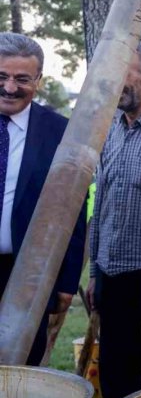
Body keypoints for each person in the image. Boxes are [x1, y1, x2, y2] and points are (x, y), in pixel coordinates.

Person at [86, 51, 141, 398]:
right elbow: (102, 204)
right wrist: (95, 273)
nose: (115, 87)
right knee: (116, 368)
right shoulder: (111, 131)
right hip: (112, 271)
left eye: (123, 76)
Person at [0, 32, 85, 366]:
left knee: (22, 374)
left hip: (30, 275)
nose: (9, 88)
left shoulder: (60, 132)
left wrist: (66, 283)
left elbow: (73, 210)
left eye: (22, 79)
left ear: (38, 80)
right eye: (2, 76)